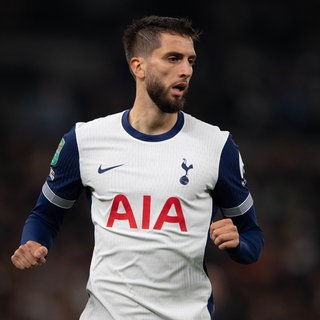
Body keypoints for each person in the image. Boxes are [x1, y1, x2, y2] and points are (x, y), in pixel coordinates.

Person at [11, 15, 264, 319]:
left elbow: (252, 237)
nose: (185, 70)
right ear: (138, 66)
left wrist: (238, 244)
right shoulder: (86, 140)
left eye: (190, 61)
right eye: (173, 58)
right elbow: (45, 215)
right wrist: (32, 243)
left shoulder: (217, 145)